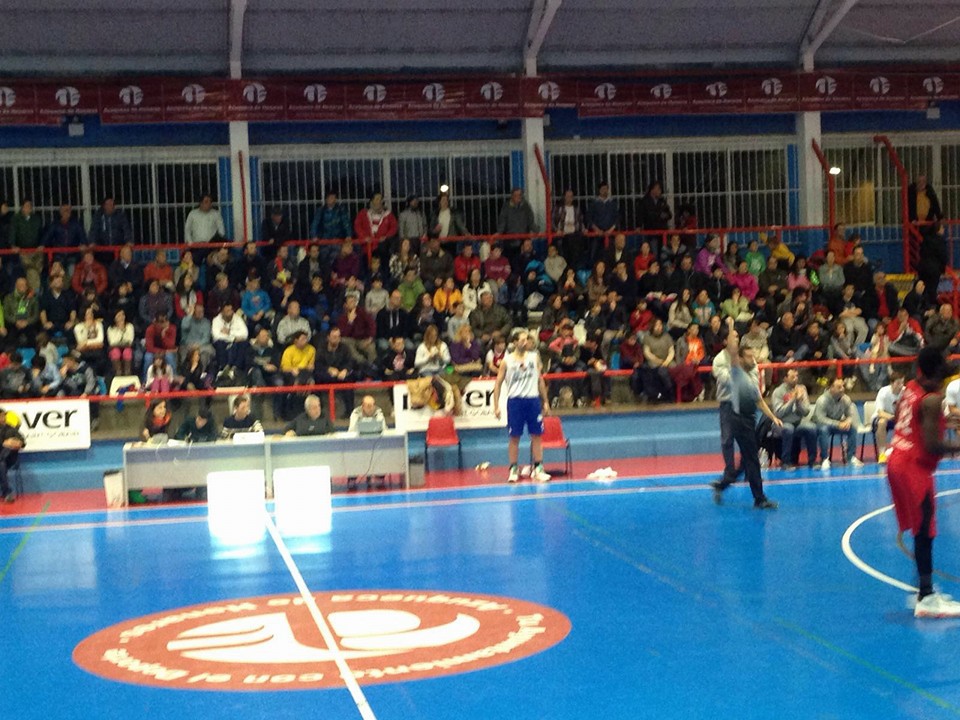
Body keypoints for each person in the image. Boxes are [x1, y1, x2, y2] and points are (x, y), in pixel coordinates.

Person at [886, 347, 960, 617]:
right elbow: (932, 445)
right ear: (934, 374)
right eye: (942, 375)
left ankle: (922, 589)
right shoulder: (932, 400)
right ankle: (926, 598)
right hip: (913, 467)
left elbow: (902, 417)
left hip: (897, 458)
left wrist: (944, 420)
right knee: (925, 530)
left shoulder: (910, 388)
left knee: (920, 528)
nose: (943, 382)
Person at [710, 331, 781, 509]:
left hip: (749, 418)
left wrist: (772, 416)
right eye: (749, 356)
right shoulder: (735, 372)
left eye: (753, 356)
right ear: (739, 359)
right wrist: (731, 327)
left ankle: (723, 484)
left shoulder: (752, 371)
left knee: (746, 460)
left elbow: (758, 399)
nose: (753, 359)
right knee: (751, 458)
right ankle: (759, 498)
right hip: (737, 417)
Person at [493, 329, 551, 484]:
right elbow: (498, 384)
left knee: (537, 435)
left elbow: (540, 380)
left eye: (527, 340)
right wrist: (496, 406)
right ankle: (513, 468)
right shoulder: (507, 361)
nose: (526, 342)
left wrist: (545, 401)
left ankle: (538, 468)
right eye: (523, 340)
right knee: (514, 437)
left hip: (532, 400)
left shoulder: (534, 357)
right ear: (515, 342)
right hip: (515, 402)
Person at [770, 368, 818, 469]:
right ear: (785, 379)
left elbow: (806, 412)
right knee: (788, 429)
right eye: (792, 377)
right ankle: (786, 462)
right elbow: (779, 413)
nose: (796, 379)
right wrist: (792, 400)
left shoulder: (802, 389)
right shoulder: (778, 392)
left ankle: (812, 461)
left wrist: (798, 402)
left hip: (798, 421)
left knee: (812, 428)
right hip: (782, 422)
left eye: (796, 376)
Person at [813, 377, 864, 471]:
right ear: (831, 388)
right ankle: (824, 459)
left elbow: (850, 414)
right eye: (839, 387)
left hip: (837, 424)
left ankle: (851, 457)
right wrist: (838, 424)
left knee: (852, 429)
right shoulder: (822, 400)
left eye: (843, 386)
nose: (842, 389)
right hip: (821, 425)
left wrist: (848, 421)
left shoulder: (846, 399)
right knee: (823, 430)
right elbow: (820, 419)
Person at [873, 371, 904, 463]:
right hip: (885, 418)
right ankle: (882, 454)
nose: (901, 386)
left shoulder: (905, 392)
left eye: (902, 383)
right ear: (891, 383)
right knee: (881, 422)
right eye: (898, 383)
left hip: (899, 419)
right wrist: (891, 417)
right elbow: (880, 412)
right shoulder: (883, 392)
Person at [0, 411, 25, 502]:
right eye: (1, 416)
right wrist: (4, 443)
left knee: (1, 463)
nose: (3, 418)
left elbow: (22, 442)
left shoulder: (10, 429)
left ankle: (7, 493)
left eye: (4, 416)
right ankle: (6, 493)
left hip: (8, 458)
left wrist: (15, 443)